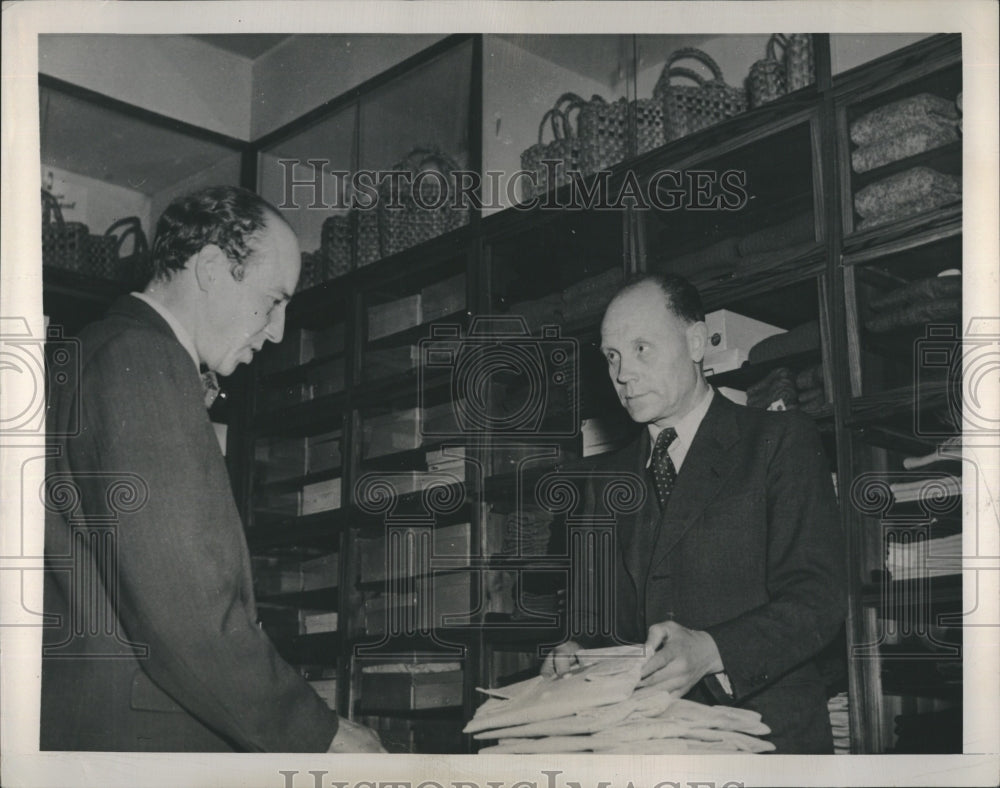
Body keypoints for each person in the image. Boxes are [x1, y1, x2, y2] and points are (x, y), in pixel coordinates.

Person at [41, 186, 383, 753]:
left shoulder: (94, 350)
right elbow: (188, 610)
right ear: (210, 268)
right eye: (273, 299)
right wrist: (319, 735)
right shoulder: (143, 360)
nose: (277, 331)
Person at [542, 273, 846, 753]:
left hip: (765, 741)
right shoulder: (604, 481)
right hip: (646, 743)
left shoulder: (779, 440)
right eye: (612, 357)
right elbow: (597, 623)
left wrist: (712, 650)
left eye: (641, 348)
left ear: (697, 342)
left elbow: (818, 599)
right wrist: (578, 652)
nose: (623, 374)